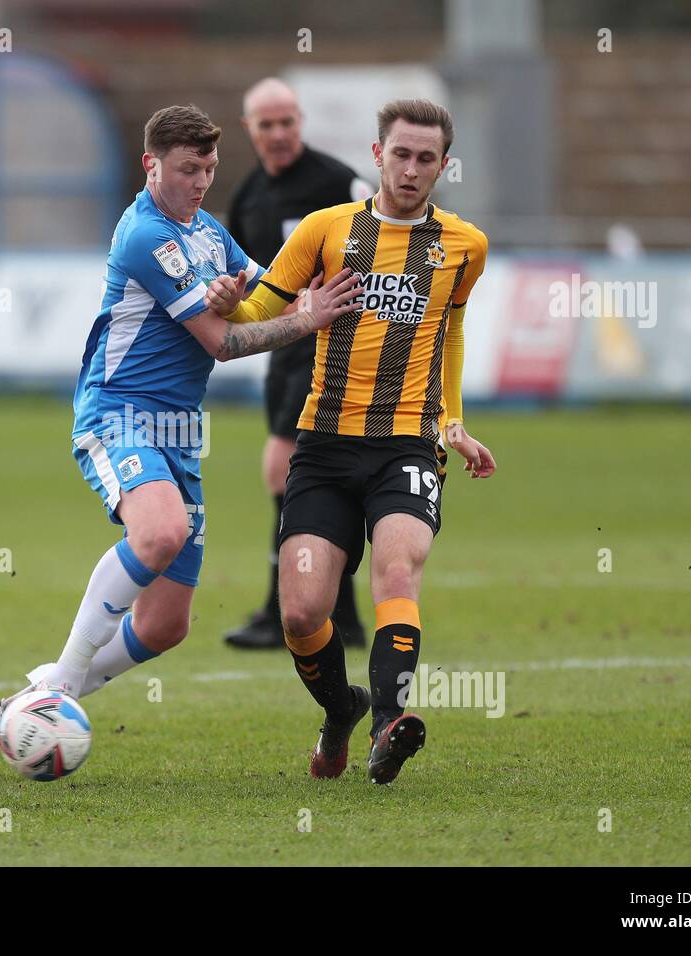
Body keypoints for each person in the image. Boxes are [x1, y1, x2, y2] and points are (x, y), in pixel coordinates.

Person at [0, 105, 360, 747]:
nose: (201, 181)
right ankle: (56, 691)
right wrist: (304, 320)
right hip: (119, 413)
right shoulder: (145, 236)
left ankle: (38, 696)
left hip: (181, 435)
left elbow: (265, 292)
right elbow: (221, 343)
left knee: (164, 627)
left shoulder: (207, 231)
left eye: (209, 168)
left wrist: (277, 295)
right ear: (150, 165)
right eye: (188, 169)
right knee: (160, 532)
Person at [206, 99, 496, 784]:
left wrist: (451, 420)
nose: (413, 168)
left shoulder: (464, 247)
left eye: (428, 158)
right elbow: (257, 311)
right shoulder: (326, 230)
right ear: (377, 155)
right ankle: (343, 709)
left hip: (406, 447)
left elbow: (448, 332)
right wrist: (225, 303)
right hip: (326, 446)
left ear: (444, 165)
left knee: (399, 572)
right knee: (302, 611)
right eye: (402, 154)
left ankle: (388, 724)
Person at [223, 77, 373, 651]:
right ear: (250, 130)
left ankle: (277, 610)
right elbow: (239, 277)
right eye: (267, 124)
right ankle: (345, 616)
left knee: (283, 471)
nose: (280, 133)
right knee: (300, 477)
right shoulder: (250, 195)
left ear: (300, 122)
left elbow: (388, 241)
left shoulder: (337, 182)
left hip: (331, 352)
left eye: (288, 121)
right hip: (281, 355)